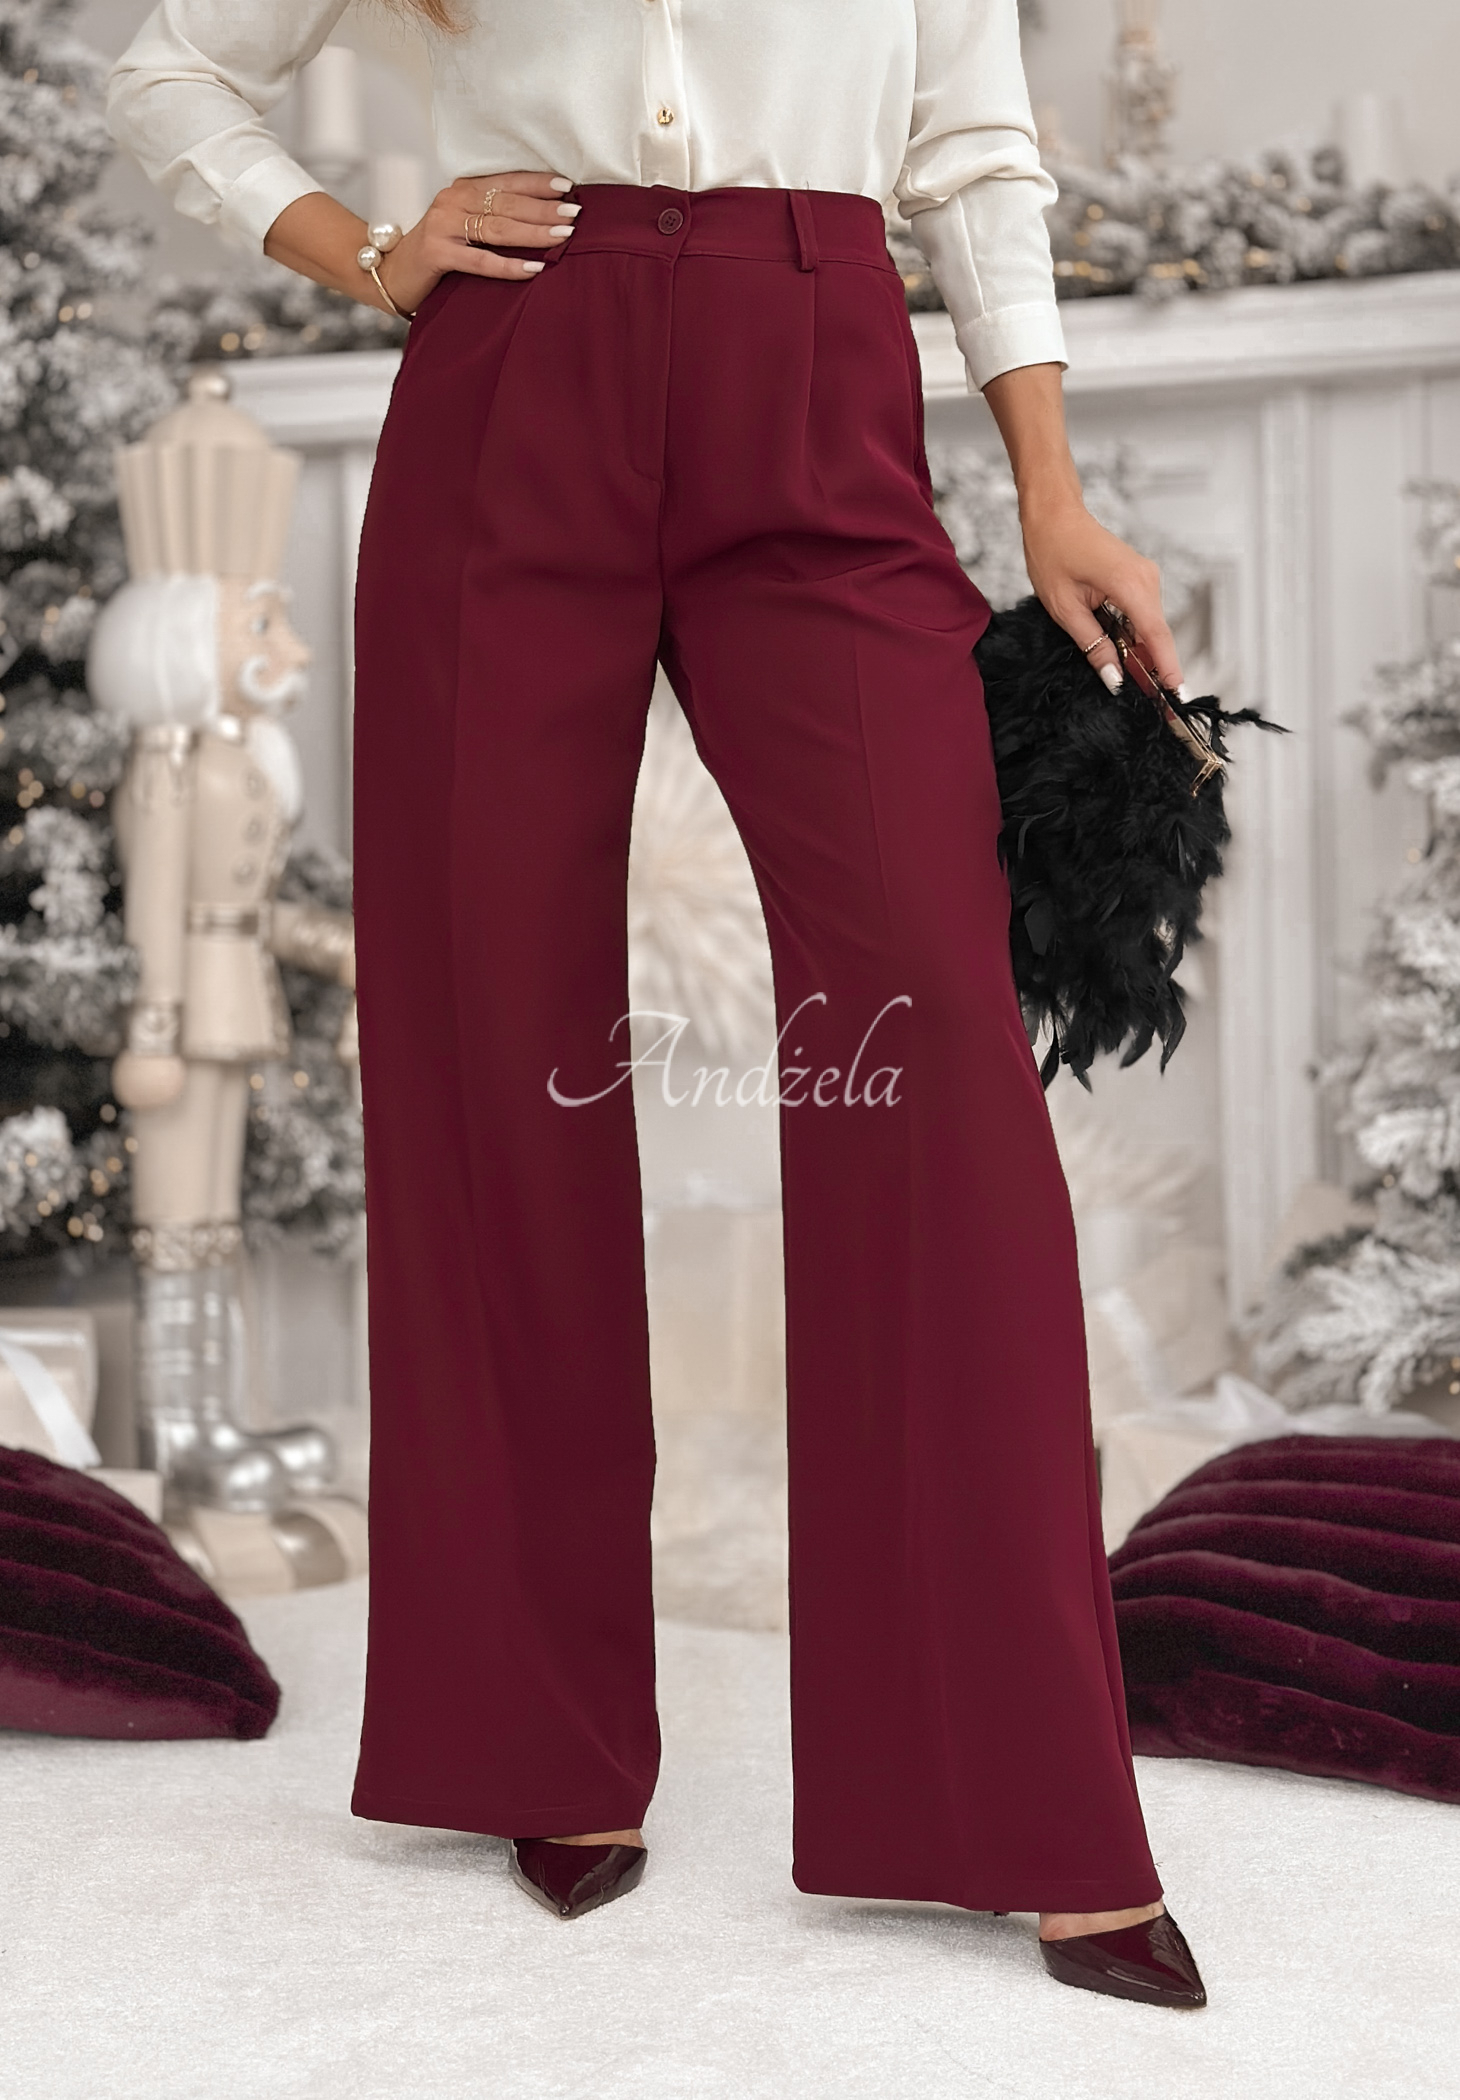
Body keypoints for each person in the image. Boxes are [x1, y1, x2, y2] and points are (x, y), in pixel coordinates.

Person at [107, 0, 1207, 2010]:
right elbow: (169, 60)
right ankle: (530, 1741)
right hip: (512, 386)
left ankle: (1018, 1797)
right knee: (490, 1045)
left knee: (937, 1069)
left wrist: (1046, 488)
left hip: (820, 378)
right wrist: (366, 250)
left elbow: (972, 151)